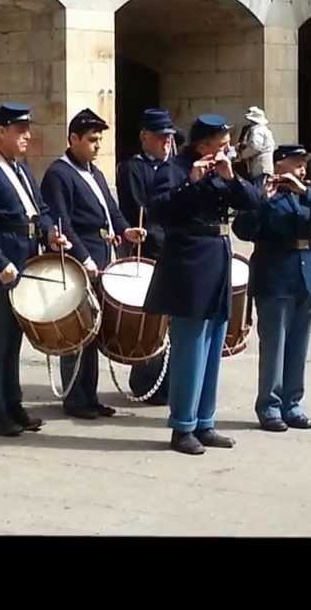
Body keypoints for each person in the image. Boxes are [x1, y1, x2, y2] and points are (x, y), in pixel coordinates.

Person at [144, 114, 262, 455]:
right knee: (191, 346)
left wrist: (230, 177)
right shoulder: (174, 169)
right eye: (221, 144)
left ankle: (204, 421)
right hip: (190, 260)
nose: (228, 149)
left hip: (218, 256)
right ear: (202, 145)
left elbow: (253, 202)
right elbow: (158, 211)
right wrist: (191, 184)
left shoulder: (222, 169)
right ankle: (183, 426)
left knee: (213, 345)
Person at [0, 101, 73, 437]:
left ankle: (13, 403)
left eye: (28, 130)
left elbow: (41, 211)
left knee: (13, 341)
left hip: (25, 263)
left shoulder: (20, 169)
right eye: (20, 130)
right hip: (0, 270)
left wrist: (51, 233)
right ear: (0, 132)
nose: (27, 136)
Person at [41, 108, 147, 419]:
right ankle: (75, 398)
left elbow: (111, 211)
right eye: (91, 140)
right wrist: (84, 257)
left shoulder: (95, 172)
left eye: (99, 140)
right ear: (73, 139)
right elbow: (62, 222)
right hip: (79, 261)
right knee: (77, 332)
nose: (97, 145)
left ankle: (90, 396)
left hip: (101, 257)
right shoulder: (59, 174)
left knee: (94, 330)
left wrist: (126, 230)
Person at [232, 145, 311, 431]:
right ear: (279, 164)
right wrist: (263, 201)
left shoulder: (304, 192)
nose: (302, 170)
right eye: (297, 164)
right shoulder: (261, 190)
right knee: (275, 346)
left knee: (298, 345)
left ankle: (292, 404)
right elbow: (243, 229)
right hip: (275, 274)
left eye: (304, 164)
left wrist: (304, 191)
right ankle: (269, 406)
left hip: (306, 274)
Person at [116, 108, 177, 404]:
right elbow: (139, 207)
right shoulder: (133, 168)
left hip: (175, 251)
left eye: (169, 137)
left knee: (173, 322)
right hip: (149, 248)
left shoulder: (176, 168)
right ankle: (145, 380)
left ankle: (170, 380)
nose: (167, 142)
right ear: (145, 137)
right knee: (150, 320)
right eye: (161, 136)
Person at [237, 106, 276, 181]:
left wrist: (242, 154)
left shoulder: (257, 130)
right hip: (264, 166)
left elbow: (255, 147)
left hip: (260, 167)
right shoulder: (265, 129)